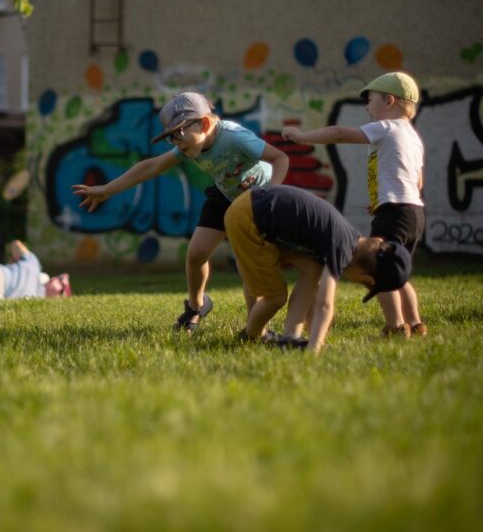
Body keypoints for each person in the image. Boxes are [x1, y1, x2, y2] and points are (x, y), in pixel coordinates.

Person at [72, 92, 288, 332]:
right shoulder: (190, 146)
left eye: (179, 134)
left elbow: (280, 158)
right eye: (170, 137)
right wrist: (107, 190)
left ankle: (255, 329)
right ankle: (196, 306)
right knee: (196, 254)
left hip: (256, 200)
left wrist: (269, 198)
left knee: (247, 266)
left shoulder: (235, 138)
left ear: (204, 124)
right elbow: (152, 166)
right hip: (224, 195)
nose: (176, 142)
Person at [282, 71, 426, 338]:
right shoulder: (413, 137)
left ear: (389, 101)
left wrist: (302, 136)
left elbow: (338, 133)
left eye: (370, 100)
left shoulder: (387, 127)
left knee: (378, 267)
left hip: (394, 212)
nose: (367, 108)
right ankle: (416, 323)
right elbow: (417, 182)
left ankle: (395, 326)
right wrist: (383, 199)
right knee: (397, 270)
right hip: (413, 213)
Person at [225, 184, 413, 355]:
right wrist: (315, 347)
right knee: (275, 297)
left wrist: (312, 326)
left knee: (313, 266)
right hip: (248, 219)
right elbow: (324, 304)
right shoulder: (341, 248)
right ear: (366, 278)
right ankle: (252, 336)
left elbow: (314, 293)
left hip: (253, 204)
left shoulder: (347, 237)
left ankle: (290, 338)